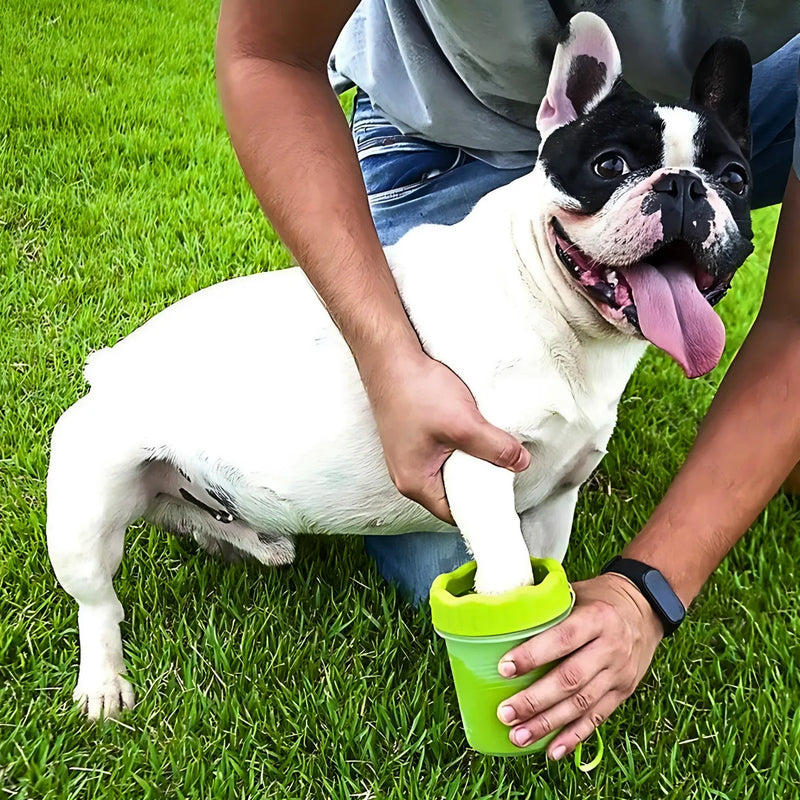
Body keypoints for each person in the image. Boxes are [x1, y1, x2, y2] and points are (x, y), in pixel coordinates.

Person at [216, 0, 800, 760]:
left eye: (720, 174)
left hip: (698, 107)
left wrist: (648, 588)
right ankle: (617, 190)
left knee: (516, 504)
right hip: (448, 131)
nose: (686, 190)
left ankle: (682, 177)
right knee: (447, 532)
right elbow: (266, 54)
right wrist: (389, 356)